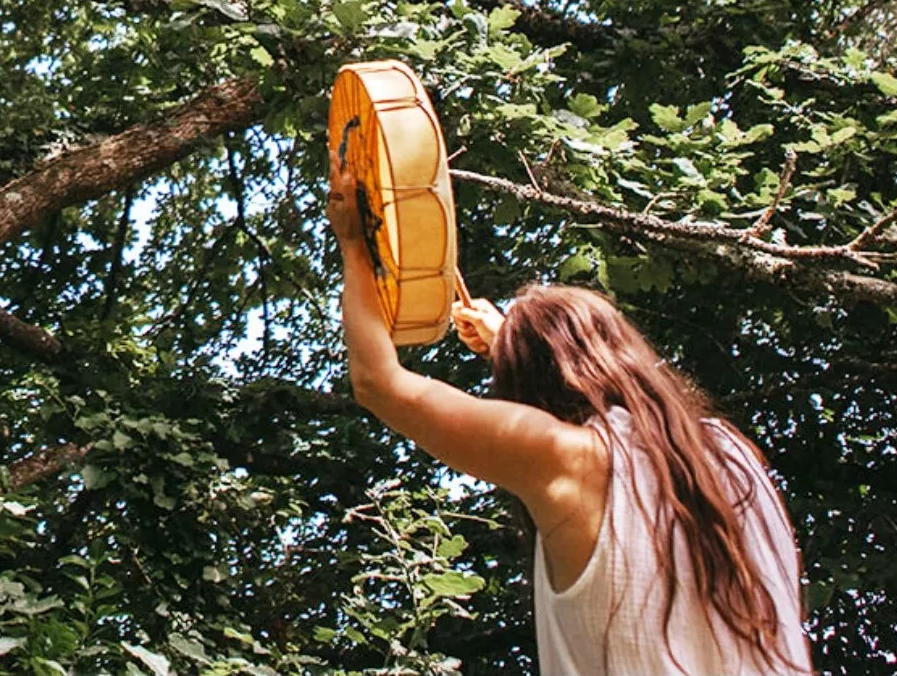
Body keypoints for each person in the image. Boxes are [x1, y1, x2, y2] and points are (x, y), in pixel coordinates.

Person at [327, 156, 813, 676]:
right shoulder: (729, 453)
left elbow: (378, 383)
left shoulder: (568, 460)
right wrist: (511, 344)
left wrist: (354, 243)